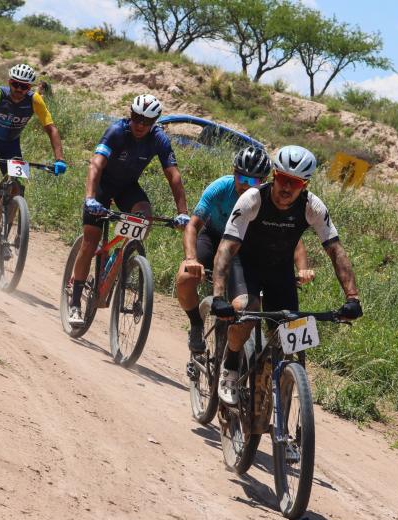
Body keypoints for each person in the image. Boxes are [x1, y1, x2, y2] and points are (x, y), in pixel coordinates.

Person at [211, 145, 363, 405]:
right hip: (245, 265)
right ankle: (231, 365)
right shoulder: (252, 199)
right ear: (273, 176)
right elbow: (227, 247)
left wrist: (352, 297)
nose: (286, 188)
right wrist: (217, 295)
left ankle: (283, 398)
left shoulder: (312, 206)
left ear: (304, 184)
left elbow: (336, 250)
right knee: (246, 310)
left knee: (293, 338)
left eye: (295, 183)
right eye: (282, 179)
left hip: (279, 272)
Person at [67, 94, 191, 326]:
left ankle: (118, 253)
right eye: (136, 118)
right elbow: (96, 164)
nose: (140, 125)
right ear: (130, 115)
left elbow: (173, 176)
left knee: (145, 213)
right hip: (103, 186)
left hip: (126, 188)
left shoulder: (159, 139)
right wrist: (90, 198)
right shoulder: (116, 131)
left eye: (147, 121)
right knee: (90, 241)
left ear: (155, 122)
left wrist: (182, 212)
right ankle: (74, 302)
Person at [176, 144, 313, 353]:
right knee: (185, 277)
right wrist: (190, 258)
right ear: (233, 173)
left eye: (254, 181)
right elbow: (193, 225)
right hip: (214, 238)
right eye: (242, 179)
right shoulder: (220, 188)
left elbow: (293, 240)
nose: (247, 186)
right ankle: (195, 324)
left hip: (244, 248)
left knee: (250, 307)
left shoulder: (267, 199)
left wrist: (303, 268)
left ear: (265, 181)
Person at [0, 64, 66, 222]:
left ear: (29, 87)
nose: (18, 89)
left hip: (11, 143)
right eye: (15, 84)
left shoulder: (35, 100)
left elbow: (51, 129)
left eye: (23, 86)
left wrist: (59, 159)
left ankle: (0, 218)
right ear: (9, 82)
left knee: (16, 187)